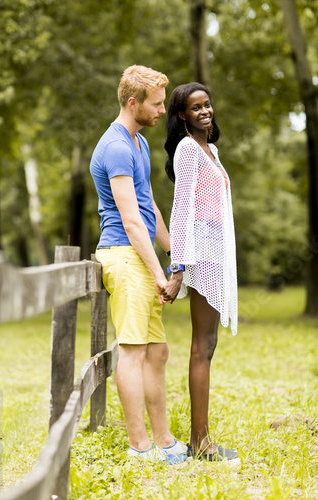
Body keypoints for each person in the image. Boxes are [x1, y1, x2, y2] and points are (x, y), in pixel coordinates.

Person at [90, 65, 186, 464]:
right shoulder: (115, 147)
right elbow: (130, 221)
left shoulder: (139, 144)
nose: (163, 110)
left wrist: (175, 254)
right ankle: (139, 447)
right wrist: (158, 274)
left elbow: (149, 211)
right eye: (157, 103)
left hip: (141, 254)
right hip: (124, 255)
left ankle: (163, 440)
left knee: (158, 352)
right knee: (132, 351)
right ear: (133, 103)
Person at [164, 82, 240, 464]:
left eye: (208, 105)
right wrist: (177, 268)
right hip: (201, 254)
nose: (205, 111)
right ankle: (199, 443)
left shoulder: (211, 150)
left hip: (215, 252)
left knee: (207, 345)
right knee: (201, 346)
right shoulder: (188, 149)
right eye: (196, 108)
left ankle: (200, 439)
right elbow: (181, 211)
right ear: (182, 115)